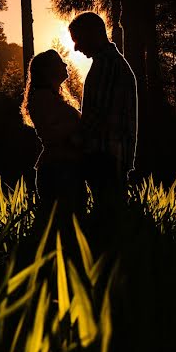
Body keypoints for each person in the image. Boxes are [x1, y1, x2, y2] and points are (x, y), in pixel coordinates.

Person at [68, 12, 138, 209]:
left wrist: (72, 140)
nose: (76, 47)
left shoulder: (106, 64)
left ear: (93, 34)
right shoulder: (112, 62)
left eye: (78, 39)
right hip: (114, 154)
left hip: (105, 155)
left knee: (107, 213)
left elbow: (97, 114)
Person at [21, 49, 86, 228]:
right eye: (60, 62)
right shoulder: (42, 99)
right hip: (59, 169)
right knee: (64, 224)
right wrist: (78, 138)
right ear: (48, 70)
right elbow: (54, 133)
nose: (65, 65)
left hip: (66, 167)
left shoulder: (51, 98)